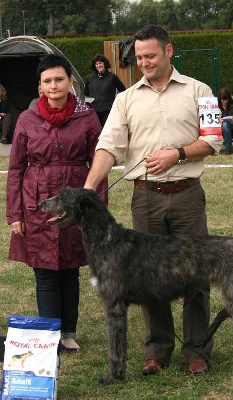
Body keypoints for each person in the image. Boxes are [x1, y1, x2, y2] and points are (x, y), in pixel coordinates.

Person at [84, 25, 223, 375]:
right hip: (145, 199)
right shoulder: (125, 98)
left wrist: (176, 154)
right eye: (139, 57)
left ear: (169, 52)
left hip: (187, 195)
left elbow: (213, 140)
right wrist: (89, 187)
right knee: (148, 277)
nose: (143, 62)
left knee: (196, 274)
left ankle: (197, 351)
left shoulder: (199, 90)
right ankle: (157, 350)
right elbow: (107, 147)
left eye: (150, 56)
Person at [6, 54, 108, 352]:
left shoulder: (87, 116)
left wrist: (96, 208)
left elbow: (99, 162)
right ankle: (50, 338)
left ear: (70, 82)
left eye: (59, 79)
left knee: (70, 269)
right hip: (36, 201)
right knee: (44, 271)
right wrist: (15, 213)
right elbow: (15, 169)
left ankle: (69, 332)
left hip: (75, 199)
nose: (54, 86)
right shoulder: (26, 119)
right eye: (47, 81)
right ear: (39, 86)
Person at [84, 54, 126, 126]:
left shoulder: (112, 77)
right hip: (95, 111)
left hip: (108, 111)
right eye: (96, 64)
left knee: (108, 132)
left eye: (100, 63)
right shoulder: (90, 78)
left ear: (104, 64)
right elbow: (86, 92)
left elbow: (123, 90)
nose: (98, 65)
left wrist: (117, 102)